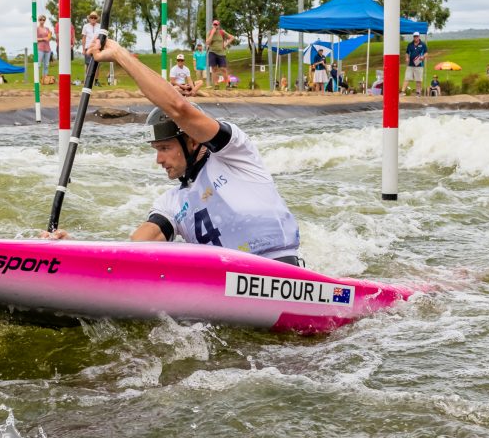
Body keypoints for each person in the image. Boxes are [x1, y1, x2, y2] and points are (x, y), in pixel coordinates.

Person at [45, 37, 302, 266]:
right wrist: (76, 251)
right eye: (156, 150)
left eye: (165, 148)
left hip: (282, 268)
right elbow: (136, 247)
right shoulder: (172, 202)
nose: (159, 159)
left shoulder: (235, 153)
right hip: (221, 287)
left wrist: (120, 55)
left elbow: (179, 107)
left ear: (192, 141)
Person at [206, 20, 234, 89]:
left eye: (216, 25)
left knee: (223, 69)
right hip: (212, 52)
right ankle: (216, 85)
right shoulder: (209, 33)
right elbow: (207, 42)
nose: (215, 26)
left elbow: (232, 37)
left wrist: (226, 44)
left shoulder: (222, 32)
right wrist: (212, 33)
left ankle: (227, 84)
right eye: (214, 25)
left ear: (219, 26)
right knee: (214, 69)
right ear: (212, 25)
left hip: (221, 53)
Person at [402, 31, 427, 96]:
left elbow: (426, 53)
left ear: (419, 37)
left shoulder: (423, 44)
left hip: (419, 65)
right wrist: (407, 58)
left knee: (418, 79)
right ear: (413, 37)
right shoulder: (410, 44)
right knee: (407, 78)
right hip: (410, 65)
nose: (416, 37)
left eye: (417, 36)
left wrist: (423, 57)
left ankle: (418, 92)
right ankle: (402, 92)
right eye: (414, 36)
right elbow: (407, 53)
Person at [80, 12, 101, 85]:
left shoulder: (100, 26)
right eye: (92, 17)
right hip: (88, 47)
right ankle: (88, 81)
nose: (93, 19)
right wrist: (83, 49)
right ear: (89, 18)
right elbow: (83, 38)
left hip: (97, 47)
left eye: (95, 18)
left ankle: (96, 81)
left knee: (97, 65)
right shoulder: (85, 26)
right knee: (88, 64)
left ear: (96, 19)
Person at [36, 15, 53, 81]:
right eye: (40, 19)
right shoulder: (37, 29)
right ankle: (36, 80)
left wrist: (49, 37)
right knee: (38, 64)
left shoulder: (47, 29)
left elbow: (49, 38)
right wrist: (43, 38)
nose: (42, 21)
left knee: (46, 65)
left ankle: (45, 79)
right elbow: (35, 39)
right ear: (38, 20)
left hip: (47, 48)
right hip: (40, 48)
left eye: (43, 19)